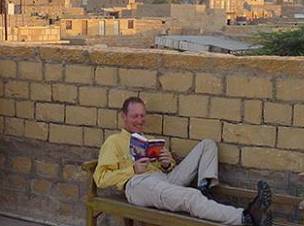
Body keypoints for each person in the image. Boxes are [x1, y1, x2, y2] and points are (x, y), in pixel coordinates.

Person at [93, 96, 273, 226]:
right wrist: (133, 169)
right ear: (123, 116)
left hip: (164, 179)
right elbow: (100, 179)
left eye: (142, 116)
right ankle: (245, 217)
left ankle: (205, 187)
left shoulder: (147, 140)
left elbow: (167, 169)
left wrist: (167, 162)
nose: (140, 120)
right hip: (138, 185)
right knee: (190, 197)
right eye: (135, 116)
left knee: (207, 144)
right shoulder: (114, 141)